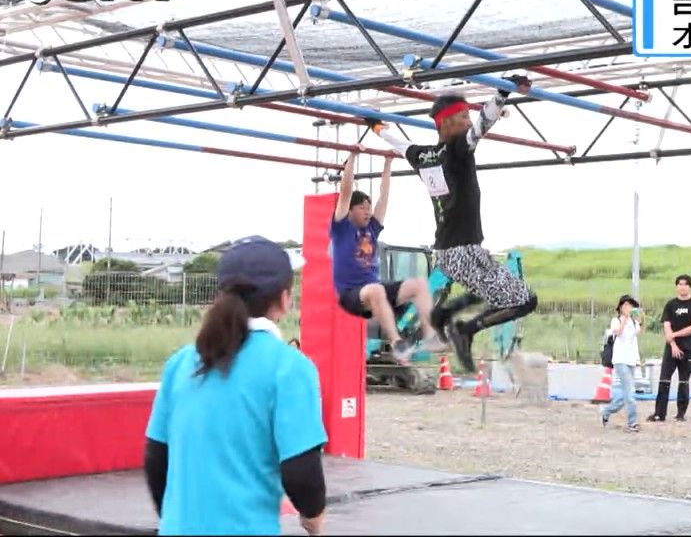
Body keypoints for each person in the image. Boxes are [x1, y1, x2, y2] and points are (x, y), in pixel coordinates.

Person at [143, 236, 327, 536]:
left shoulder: (180, 364)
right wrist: (314, 521)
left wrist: (175, 519)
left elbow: (155, 459)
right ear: (284, 299)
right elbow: (301, 473)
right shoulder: (290, 368)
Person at [366, 75, 538, 372]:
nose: (468, 122)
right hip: (464, 252)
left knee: (497, 295)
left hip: (448, 254)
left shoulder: (423, 155)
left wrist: (375, 127)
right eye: (462, 116)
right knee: (525, 301)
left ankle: (446, 320)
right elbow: (482, 126)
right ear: (445, 124)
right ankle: (466, 330)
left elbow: (398, 143)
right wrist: (502, 93)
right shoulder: (458, 149)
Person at [330, 150, 445, 364]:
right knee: (376, 290)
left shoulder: (372, 230)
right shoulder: (342, 228)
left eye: (368, 207)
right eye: (362, 207)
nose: (367, 211)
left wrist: (388, 163)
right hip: (350, 295)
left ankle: (429, 335)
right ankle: (396, 343)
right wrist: (352, 157)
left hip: (375, 292)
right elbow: (345, 193)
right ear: (350, 211)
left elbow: (384, 197)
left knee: (419, 284)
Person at [648, 274, 691, 423]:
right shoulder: (670, 305)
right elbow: (666, 326)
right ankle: (659, 413)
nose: (682, 287)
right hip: (671, 349)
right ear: (676, 286)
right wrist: (672, 344)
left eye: (685, 284)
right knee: (664, 380)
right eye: (680, 284)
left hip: (688, 349)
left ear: (690, 287)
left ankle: (681, 413)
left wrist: (675, 334)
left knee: (683, 381)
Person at [601, 294, 643, 432]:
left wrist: (640, 319)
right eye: (625, 305)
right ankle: (632, 422)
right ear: (620, 307)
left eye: (630, 305)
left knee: (627, 394)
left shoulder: (634, 322)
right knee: (630, 392)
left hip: (631, 359)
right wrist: (624, 319)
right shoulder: (616, 320)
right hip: (620, 360)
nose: (628, 308)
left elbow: (638, 333)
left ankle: (606, 411)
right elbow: (617, 332)